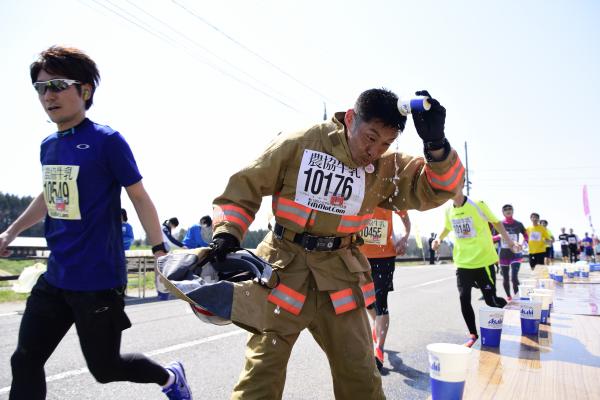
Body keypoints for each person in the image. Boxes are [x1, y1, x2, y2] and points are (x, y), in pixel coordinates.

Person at [208, 88, 465, 399]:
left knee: (360, 376)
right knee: (260, 377)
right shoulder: (301, 143)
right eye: (370, 137)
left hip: (340, 279)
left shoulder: (384, 167)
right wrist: (227, 233)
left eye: (385, 143)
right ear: (351, 118)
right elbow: (244, 184)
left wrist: (436, 145)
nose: (374, 150)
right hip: (282, 272)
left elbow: (438, 188)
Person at [0, 46, 191, 400]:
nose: (48, 96)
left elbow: (139, 196)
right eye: (41, 88)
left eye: (57, 85)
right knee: (25, 359)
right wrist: (11, 230)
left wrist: (159, 250)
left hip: (97, 281)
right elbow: (48, 197)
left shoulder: (107, 141)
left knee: (105, 369)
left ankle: (169, 377)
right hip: (56, 277)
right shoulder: (49, 146)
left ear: (85, 90)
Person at [432, 187, 518, 347]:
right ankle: (473, 335)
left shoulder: (477, 204)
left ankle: (511, 311)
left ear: (461, 185)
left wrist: (510, 243)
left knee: (490, 301)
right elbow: (447, 227)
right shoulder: (448, 210)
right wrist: (438, 239)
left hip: (483, 261)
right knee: (464, 298)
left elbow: (496, 223)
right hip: (463, 263)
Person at [360, 207, 411, 371]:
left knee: (381, 301)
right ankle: (376, 324)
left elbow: (405, 218)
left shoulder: (390, 190)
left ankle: (379, 349)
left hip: (385, 256)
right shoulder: (361, 188)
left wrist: (404, 237)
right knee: (366, 301)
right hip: (360, 256)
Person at [495, 204, 528, 301]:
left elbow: (526, 236)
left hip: (516, 254)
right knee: (505, 278)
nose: (508, 210)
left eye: (510, 209)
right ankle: (509, 297)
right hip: (503, 255)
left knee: (514, 278)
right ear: (502, 212)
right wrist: (499, 237)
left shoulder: (519, 224)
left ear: (513, 211)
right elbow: (490, 238)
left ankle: (517, 298)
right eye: (505, 209)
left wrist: (523, 244)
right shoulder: (498, 224)